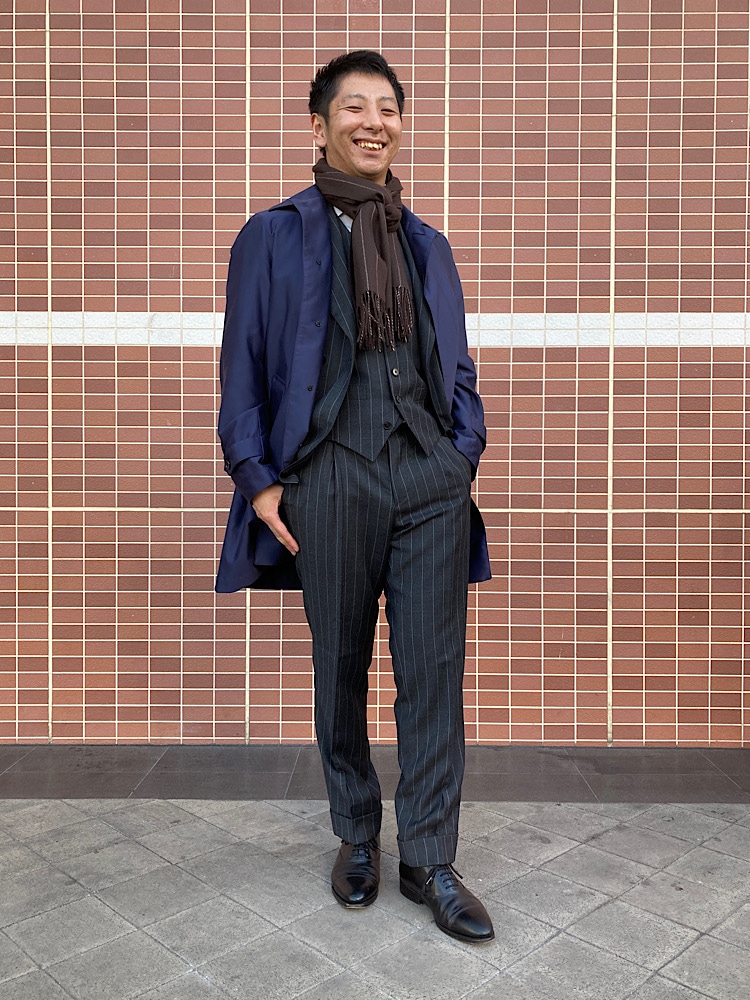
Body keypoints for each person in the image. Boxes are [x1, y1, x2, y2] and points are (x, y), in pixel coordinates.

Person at [216, 50, 493, 944]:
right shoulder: (273, 235)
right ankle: (357, 834)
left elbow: (456, 365)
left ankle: (430, 857)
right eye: (355, 107)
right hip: (327, 474)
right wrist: (259, 479)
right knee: (339, 665)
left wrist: (461, 454)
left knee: (433, 672)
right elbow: (242, 366)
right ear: (320, 124)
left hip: (428, 478)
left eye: (389, 109)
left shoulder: (426, 243)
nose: (375, 122)